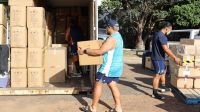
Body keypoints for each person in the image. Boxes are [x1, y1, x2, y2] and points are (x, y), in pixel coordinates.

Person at [78, 20, 123, 112]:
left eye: (106, 27)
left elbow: (99, 52)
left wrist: (85, 51)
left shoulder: (111, 39)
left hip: (108, 68)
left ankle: (93, 108)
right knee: (112, 85)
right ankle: (118, 108)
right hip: (116, 67)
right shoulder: (119, 36)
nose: (106, 29)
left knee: (98, 84)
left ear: (110, 27)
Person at [151, 21, 181, 100]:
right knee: (157, 75)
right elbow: (166, 49)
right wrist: (175, 58)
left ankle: (163, 87)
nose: (170, 31)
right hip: (158, 58)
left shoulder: (157, 34)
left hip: (159, 57)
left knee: (163, 72)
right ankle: (155, 93)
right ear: (166, 28)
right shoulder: (162, 36)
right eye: (170, 29)